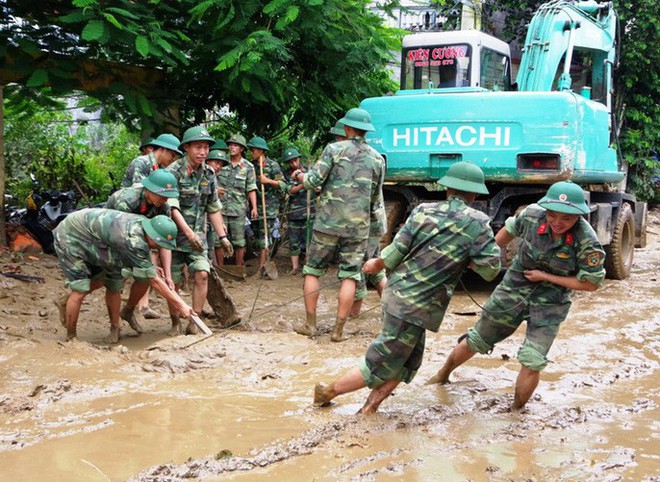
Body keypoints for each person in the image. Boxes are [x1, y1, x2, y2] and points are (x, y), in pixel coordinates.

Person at [313, 162, 501, 413]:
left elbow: (395, 251)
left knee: (406, 362)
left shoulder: (423, 210)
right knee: (381, 360)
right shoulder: (478, 222)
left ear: (447, 189)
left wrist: (375, 264)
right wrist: (464, 259)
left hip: (398, 294)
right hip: (417, 305)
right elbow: (490, 271)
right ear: (475, 194)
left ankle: (369, 409)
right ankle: (327, 391)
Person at [426, 180, 606, 411]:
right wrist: (484, 258)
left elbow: (590, 284)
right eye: (552, 215)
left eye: (566, 219)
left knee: (533, 360)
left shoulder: (586, 241)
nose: (557, 223)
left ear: (578, 216)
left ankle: (516, 411)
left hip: (551, 303)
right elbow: (508, 232)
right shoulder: (531, 216)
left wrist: (545, 276)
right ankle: (442, 376)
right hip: (512, 291)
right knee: (477, 339)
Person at [291, 107, 386, 342]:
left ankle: (310, 325)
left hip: (327, 224)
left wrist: (300, 177)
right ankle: (338, 331)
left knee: (313, 270)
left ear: (346, 128)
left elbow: (313, 182)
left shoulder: (333, 149)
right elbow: (376, 198)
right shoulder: (377, 158)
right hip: (358, 227)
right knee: (350, 276)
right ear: (366, 131)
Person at [53, 209, 194, 343]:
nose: (159, 247)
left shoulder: (143, 227)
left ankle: (70, 303)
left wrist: (148, 267)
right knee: (79, 289)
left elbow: (143, 263)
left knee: (106, 280)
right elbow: (154, 280)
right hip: (71, 235)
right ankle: (71, 337)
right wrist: (181, 305)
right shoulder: (133, 238)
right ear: (152, 235)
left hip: (98, 238)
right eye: (159, 243)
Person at [166, 126, 234, 335]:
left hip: (199, 238)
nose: (203, 152)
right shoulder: (173, 172)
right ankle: (175, 321)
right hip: (173, 238)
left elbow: (212, 207)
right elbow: (171, 206)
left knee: (202, 274)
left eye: (205, 148)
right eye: (198, 147)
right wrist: (187, 232)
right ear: (186, 147)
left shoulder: (209, 173)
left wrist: (223, 237)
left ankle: (193, 321)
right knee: (174, 283)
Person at [104, 169, 180, 330]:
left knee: (145, 276)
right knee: (114, 280)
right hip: (110, 239)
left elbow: (163, 242)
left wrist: (168, 276)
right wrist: (146, 265)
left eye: (167, 196)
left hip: (136, 242)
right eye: (161, 195)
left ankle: (128, 310)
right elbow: (120, 236)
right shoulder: (126, 201)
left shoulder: (163, 207)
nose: (164, 199)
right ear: (150, 189)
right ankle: (114, 326)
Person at [216, 134, 258, 269]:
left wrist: (254, 207)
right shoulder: (221, 162)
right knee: (219, 241)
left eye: (235, 145)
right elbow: (211, 180)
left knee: (239, 241)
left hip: (238, 209)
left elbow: (251, 188)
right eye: (230, 145)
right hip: (220, 209)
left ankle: (239, 269)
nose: (232, 147)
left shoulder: (248, 167)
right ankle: (221, 269)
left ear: (242, 149)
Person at [248, 136, 286, 278]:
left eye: (253, 150)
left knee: (265, 236)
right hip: (256, 206)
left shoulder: (273, 165)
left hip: (269, 208)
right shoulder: (252, 167)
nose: (251, 152)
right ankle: (263, 264)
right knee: (258, 236)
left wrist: (267, 181)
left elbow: (283, 185)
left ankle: (262, 268)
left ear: (261, 151)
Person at [350, 199, 387, 318]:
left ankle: (353, 316)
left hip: (360, 225)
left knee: (356, 270)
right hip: (376, 222)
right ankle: (391, 312)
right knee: (377, 269)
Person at [281, 147, 315, 276]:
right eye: (290, 162)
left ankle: (307, 267)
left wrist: (305, 179)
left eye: (295, 160)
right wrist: (305, 183)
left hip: (309, 211)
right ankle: (295, 267)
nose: (294, 163)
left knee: (309, 241)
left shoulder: (309, 171)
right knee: (293, 241)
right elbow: (290, 190)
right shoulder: (286, 173)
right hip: (293, 213)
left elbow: (317, 186)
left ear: (299, 158)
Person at [204, 149, 230, 264]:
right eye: (216, 163)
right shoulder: (202, 174)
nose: (219, 166)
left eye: (221, 164)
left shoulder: (212, 177)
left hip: (210, 221)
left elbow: (214, 205)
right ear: (208, 162)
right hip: (196, 221)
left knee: (210, 248)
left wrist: (221, 223)